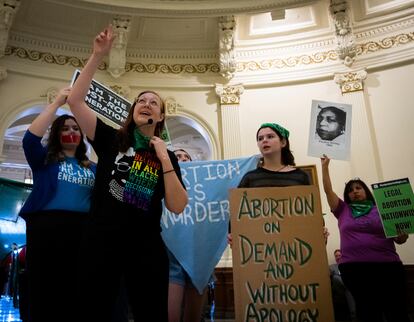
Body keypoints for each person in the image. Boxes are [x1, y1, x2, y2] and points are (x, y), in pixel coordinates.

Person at [67, 25, 188, 322]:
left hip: (145, 244)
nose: (146, 104)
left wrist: (163, 158)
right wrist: (97, 55)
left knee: (151, 312)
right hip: (101, 240)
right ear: (133, 111)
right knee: (93, 310)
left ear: (160, 117)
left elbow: (177, 205)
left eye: (153, 103)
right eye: (141, 101)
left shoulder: (165, 155)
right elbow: (75, 101)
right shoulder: (111, 139)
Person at [19, 87, 96, 322]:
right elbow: (30, 139)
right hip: (46, 228)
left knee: (77, 286)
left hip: (83, 230)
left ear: (82, 135)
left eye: (75, 128)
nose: (71, 131)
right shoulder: (45, 160)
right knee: (44, 285)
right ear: (56, 134)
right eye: (64, 128)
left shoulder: (93, 168)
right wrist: (55, 104)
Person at [321, 154, 410, 322]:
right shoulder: (342, 209)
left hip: (388, 268)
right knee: (367, 312)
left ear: (366, 191)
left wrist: (402, 235)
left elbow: (400, 239)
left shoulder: (383, 208)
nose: (354, 191)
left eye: (358, 188)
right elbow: (328, 190)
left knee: (397, 311)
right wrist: (325, 167)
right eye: (350, 190)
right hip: (355, 270)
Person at [228, 123, 314, 245]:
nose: (264, 140)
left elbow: (311, 210)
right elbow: (237, 212)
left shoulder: (300, 177)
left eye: (270, 136)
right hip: (261, 249)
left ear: (283, 142)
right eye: (260, 138)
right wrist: (233, 234)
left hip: (294, 246)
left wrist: (319, 230)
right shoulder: (250, 178)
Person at [167, 148, 210, 322]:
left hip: (198, 252)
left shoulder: (204, 187)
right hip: (171, 253)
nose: (183, 159)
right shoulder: (162, 179)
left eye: (187, 157)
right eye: (178, 157)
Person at [329, 249, 356, 321]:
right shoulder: (331, 267)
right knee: (335, 277)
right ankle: (353, 314)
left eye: (339, 255)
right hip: (339, 289)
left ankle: (353, 315)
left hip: (348, 287)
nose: (338, 257)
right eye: (336, 256)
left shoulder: (348, 266)